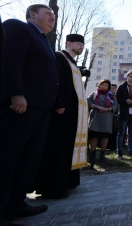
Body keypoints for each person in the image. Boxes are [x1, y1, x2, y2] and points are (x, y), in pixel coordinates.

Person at [0, 4, 59, 224]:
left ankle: (15, 204)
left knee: (30, 158)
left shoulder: (45, 41)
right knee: (9, 155)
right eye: (48, 14)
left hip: (41, 111)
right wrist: (16, 93)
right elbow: (10, 61)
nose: (53, 17)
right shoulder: (19, 28)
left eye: (54, 15)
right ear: (32, 15)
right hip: (22, 106)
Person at [30, 34, 89, 199]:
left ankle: (68, 182)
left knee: (68, 146)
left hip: (72, 113)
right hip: (62, 111)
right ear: (69, 43)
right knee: (58, 146)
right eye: (79, 44)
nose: (81, 47)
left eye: (82, 45)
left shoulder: (73, 62)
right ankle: (53, 186)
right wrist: (60, 102)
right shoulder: (59, 57)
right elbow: (57, 81)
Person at [87, 79, 118, 169]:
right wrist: (97, 106)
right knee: (94, 135)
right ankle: (93, 155)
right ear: (99, 85)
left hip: (107, 117)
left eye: (105, 85)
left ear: (108, 87)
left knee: (105, 136)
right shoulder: (94, 93)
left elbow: (115, 105)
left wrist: (108, 109)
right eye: (102, 84)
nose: (103, 86)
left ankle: (102, 154)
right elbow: (88, 102)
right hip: (96, 117)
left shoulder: (112, 95)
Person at [116, 70, 132, 158]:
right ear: (127, 77)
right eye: (130, 76)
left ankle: (131, 151)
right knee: (121, 133)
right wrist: (125, 101)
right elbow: (117, 98)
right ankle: (119, 152)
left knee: (131, 133)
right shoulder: (122, 87)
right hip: (124, 113)